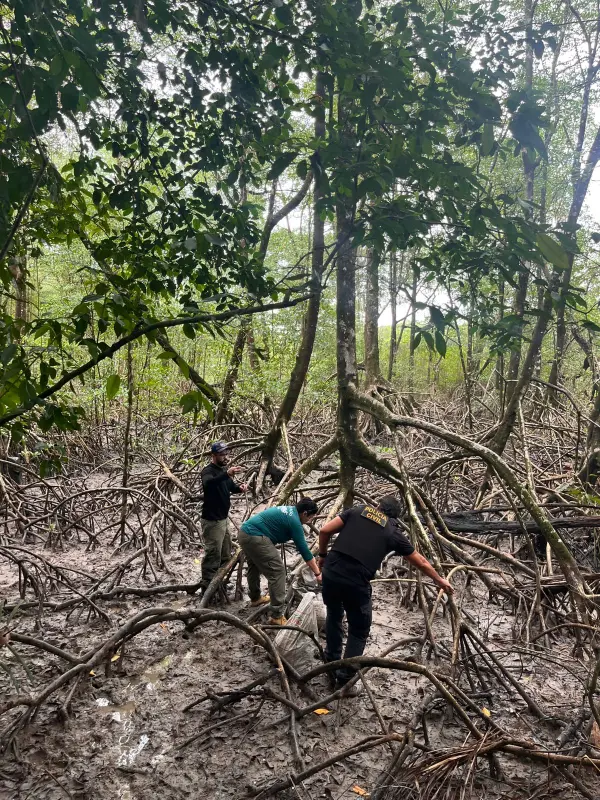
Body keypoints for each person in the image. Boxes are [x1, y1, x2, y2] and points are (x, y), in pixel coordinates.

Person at [318, 495, 453, 693]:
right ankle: (344, 680)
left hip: (331, 572)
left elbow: (324, 530)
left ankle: (331, 662)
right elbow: (421, 561)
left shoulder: (358, 510)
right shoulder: (392, 532)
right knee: (358, 630)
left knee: (334, 614)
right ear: (395, 518)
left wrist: (322, 556)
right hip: (356, 583)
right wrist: (439, 580)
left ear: (377, 506)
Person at [239, 498, 322, 625]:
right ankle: (276, 615)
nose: (310, 520)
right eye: (310, 517)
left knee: (254, 566)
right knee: (278, 572)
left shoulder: (290, 511)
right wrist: (317, 573)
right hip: (255, 536)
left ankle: (255, 598)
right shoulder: (295, 522)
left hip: (244, 533)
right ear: (305, 513)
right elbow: (305, 551)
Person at [200, 442, 248, 592]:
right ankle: (208, 587)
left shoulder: (223, 470)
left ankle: (219, 581)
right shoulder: (208, 471)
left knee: (226, 554)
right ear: (213, 455)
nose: (225, 457)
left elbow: (231, 487)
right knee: (212, 555)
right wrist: (227, 474)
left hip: (224, 519)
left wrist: (240, 489)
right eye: (222, 454)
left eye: (226, 454)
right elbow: (208, 484)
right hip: (212, 521)